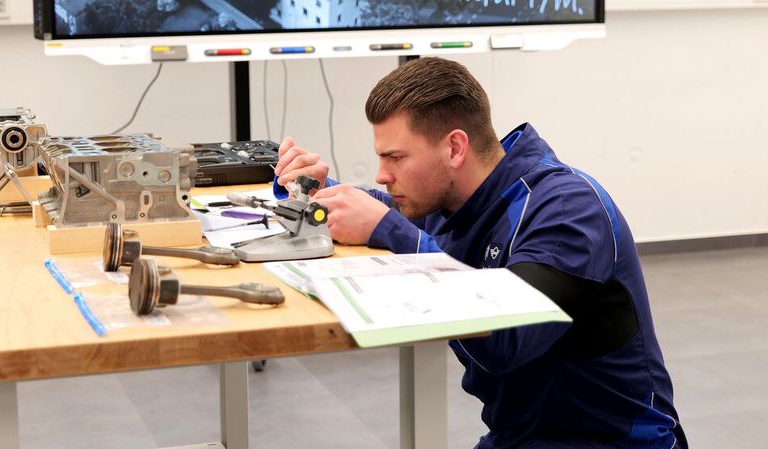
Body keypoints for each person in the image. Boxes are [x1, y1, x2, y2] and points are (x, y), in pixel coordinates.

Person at [273, 57, 688, 449]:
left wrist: (394, 232)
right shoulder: (452, 200)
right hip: (522, 436)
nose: (382, 174)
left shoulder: (565, 210)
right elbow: (379, 208)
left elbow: (504, 341)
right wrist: (310, 191)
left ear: (455, 148)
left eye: (395, 157)